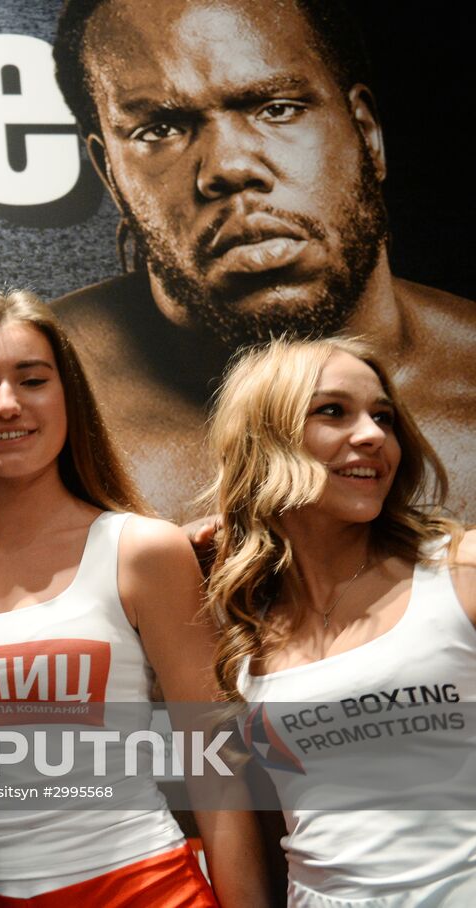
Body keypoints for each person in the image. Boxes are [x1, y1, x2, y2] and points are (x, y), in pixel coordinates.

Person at [0, 0, 476, 523]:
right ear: (110, 173)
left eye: (276, 108)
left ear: (367, 132)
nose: (228, 168)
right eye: (160, 128)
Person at [0, 291, 263, 907]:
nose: (6, 404)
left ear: (69, 397)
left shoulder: (142, 551)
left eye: (32, 380)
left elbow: (214, 767)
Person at [204, 336, 476, 905]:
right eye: (333, 411)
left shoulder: (459, 571)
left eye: (383, 417)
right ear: (265, 439)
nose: (373, 435)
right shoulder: (242, 624)